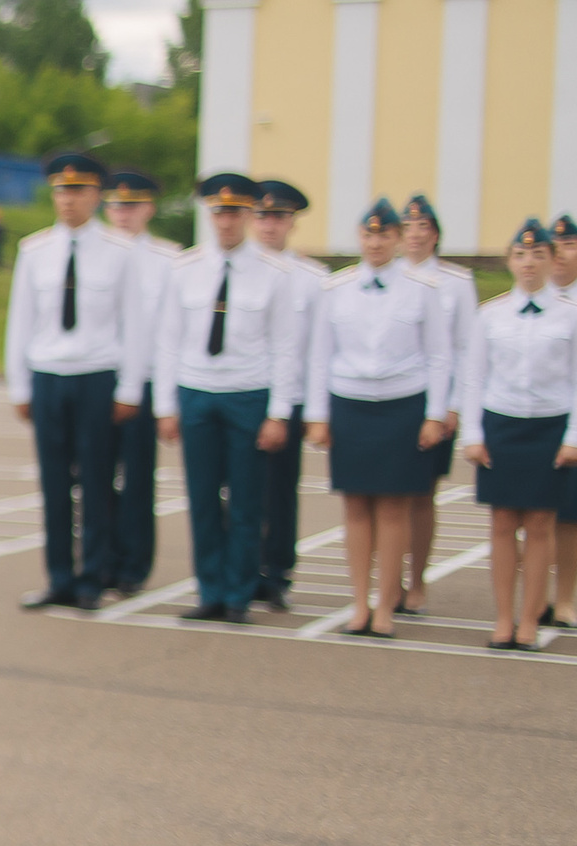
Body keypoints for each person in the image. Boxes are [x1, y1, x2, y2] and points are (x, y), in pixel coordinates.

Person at [150, 174, 302, 624]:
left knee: (245, 501)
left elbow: (284, 347)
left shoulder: (276, 273)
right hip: (196, 392)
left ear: (250, 215)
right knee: (201, 498)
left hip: (248, 395)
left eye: (235, 212)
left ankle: (238, 593)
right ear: (209, 214)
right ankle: (209, 589)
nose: (226, 221)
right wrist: (165, 406)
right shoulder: (185, 267)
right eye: (219, 211)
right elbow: (169, 342)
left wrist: (278, 413)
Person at [306, 199, 453, 638]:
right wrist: (317, 415)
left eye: (384, 235)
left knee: (393, 509)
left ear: (396, 239)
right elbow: (319, 356)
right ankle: (358, 603)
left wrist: (434, 415)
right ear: (359, 238)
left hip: (401, 406)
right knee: (354, 507)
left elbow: (439, 356)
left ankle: (386, 605)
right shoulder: (337, 289)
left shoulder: (423, 288)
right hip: (350, 404)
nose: (376, 242)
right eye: (369, 235)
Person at [6, 151, 146, 611]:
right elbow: (20, 322)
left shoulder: (121, 251)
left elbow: (134, 323)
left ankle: (92, 578)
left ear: (97, 196)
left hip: (96, 376)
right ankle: (59, 578)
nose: (68, 200)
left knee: (96, 480)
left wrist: (128, 388)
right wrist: (19, 386)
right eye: (61, 191)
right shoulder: (34, 251)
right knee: (53, 483)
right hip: (48, 376)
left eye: (79, 191)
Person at [458, 218, 577, 649]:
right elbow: (473, 378)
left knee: (542, 523)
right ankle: (504, 618)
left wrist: (573, 437)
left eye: (539, 255)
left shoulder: (570, 315)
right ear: (510, 261)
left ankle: (531, 619)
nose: (529, 263)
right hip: (502, 424)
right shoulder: (490, 315)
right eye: (522, 255)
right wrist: (472, 433)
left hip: (549, 426)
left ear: (552, 260)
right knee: (503, 522)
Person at [396, 193, 476, 614]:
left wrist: (454, 405)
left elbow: (464, 349)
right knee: (385, 495)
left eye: (422, 227)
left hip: (434, 402)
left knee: (422, 495)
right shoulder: (385, 279)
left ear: (436, 235)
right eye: (407, 227)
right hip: (391, 402)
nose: (414, 235)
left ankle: (417, 580)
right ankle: (388, 580)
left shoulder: (456, 283)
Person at [250, 180, 324, 610]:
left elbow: (317, 353)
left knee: (279, 490)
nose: (269, 225)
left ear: (292, 222)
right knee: (237, 489)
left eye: (278, 216)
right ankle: (240, 566)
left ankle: (276, 572)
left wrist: (317, 411)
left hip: (289, 398)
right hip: (243, 392)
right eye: (261, 215)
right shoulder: (236, 269)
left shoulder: (312, 279)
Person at [103, 169, 176, 593]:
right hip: (99, 378)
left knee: (137, 478)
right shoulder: (98, 252)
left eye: (131, 206)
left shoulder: (169, 260)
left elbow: (169, 334)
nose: (122, 213)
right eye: (115, 205)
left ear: (148, 209)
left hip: (144, 382)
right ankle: (101, 557)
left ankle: (133, 564)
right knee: (93, 477)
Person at [550, 212, 577, 627]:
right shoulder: (515, 305)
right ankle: (536, 594)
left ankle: (565, 598)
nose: (559, 256)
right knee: (532, 515)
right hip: (531, 419)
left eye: (569, 246)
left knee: (570, 516)